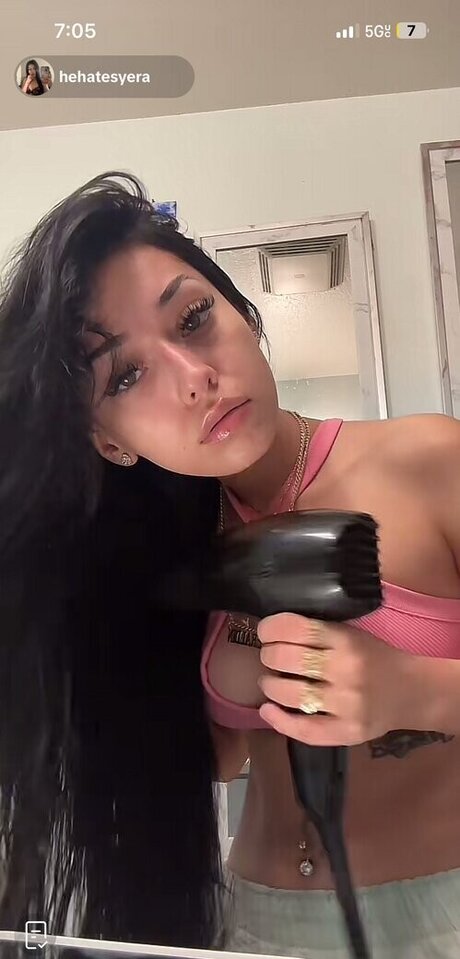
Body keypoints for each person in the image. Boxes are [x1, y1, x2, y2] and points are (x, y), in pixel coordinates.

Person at [1, 172, 460, 959]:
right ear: (109, 440)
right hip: (263, 925)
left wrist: (411, 689)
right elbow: (214, 757)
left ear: (242, 312)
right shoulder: (174, 553)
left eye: (193, 318)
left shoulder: (429, 459)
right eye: (127, 376)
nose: (195, 379)